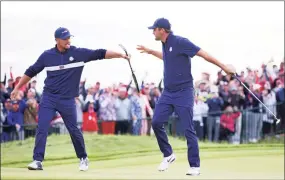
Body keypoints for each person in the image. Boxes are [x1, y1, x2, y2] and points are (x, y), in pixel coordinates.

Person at [10, 27, 130, 171]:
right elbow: (31, 71)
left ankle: (83, 158)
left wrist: (120, 55)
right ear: (57, 40)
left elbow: (99, 53)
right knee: (42, 126)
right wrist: (17, 88)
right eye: (65, 38)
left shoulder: (78, 53)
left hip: (67, 99)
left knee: (73, 129)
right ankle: (37, 160)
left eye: (69, 38)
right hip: (49, 97)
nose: (68, 41)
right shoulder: (47, 56)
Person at [136, 18, 235, 176]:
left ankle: (195, 165)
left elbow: (204, 54)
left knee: (188, 128)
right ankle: (168, 154)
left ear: (162, 30)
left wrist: (224, 67)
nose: (152, 32)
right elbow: (167, 57)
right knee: (156, 122)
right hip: (168, 92)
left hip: (184, 92)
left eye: (154, 29)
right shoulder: (165, 44)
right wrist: (150, 51)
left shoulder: (181, 42)